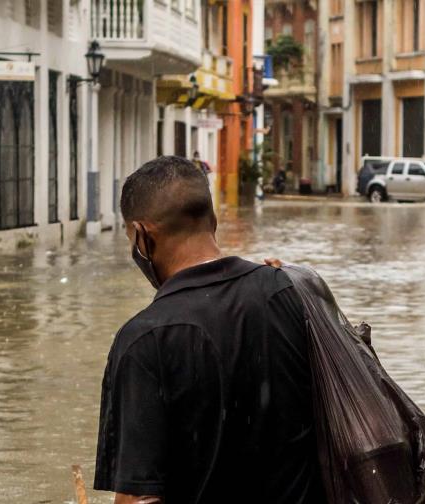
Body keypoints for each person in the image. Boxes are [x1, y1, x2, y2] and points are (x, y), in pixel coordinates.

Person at [94, 156, 325, 504]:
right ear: (212, 221)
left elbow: (140, 498)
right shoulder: (292, 292)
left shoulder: (144, 340)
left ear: (141, 236)